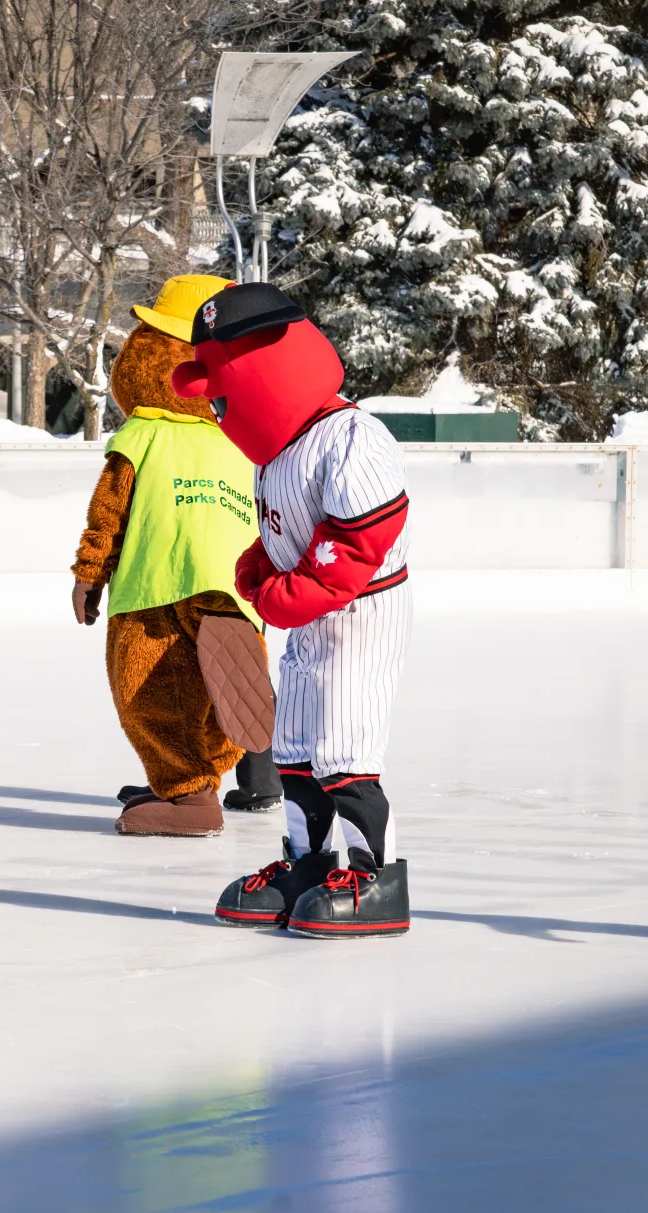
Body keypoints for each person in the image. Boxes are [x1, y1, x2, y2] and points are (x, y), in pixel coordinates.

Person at [170, 284, 413, 938]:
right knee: (298, 749)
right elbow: (288, 524)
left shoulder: (353, 434)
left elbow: (365, 530)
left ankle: (373, 875)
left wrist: (300, 586)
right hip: (311, 620)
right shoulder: (278, 451)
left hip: (360, 615)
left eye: (223, 392)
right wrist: (264, 560)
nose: (219, 408)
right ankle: (308, 863)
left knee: (344, 746)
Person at [70, 273, 281, 836]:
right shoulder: (242, 441)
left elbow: (108, 512)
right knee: (219, 695)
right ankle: (196, 778)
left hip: (155, 585)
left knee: (149, 688)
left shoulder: (142, 433)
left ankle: (188, 794)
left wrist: (89, 575)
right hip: (236, 586)